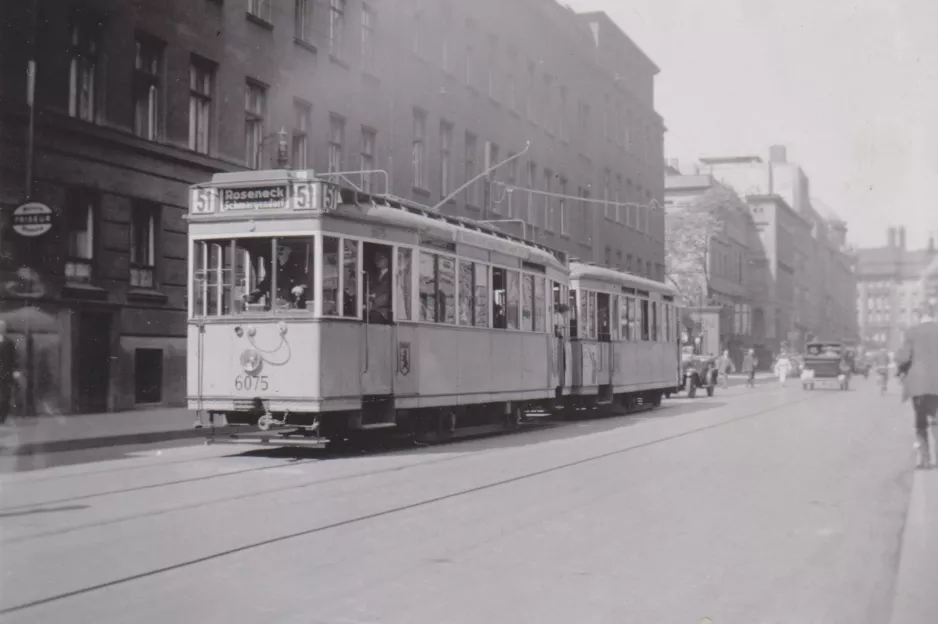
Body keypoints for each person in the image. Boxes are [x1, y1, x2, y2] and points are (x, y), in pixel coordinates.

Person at [897, 308, 938, 469]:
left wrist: (900, 367)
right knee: (937, 421)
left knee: (920, 422)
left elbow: (904, 357)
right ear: (933, 315)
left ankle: (926, 460)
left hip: (918, 383)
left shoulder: (911, 332)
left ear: (919, 316)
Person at [245, 244, 310, 308]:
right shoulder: (273, 269)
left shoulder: (296, 268)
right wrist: (253, 296)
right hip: (274, 309)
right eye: (276, 249)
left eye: (282, 249)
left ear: (289, 251)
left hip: (291, 309)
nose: (279, 251)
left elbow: (304, 283)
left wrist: (300, 289)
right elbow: (264, 285)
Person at [0, 320, 21, 425]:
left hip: (5, 374)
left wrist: (16, 370)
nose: (1, 328)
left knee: (5, 396)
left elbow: (14, 358)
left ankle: (2, 417)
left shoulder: (9, 342)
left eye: (2, 327)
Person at [367, 251, 392, 323]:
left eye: (380, 258)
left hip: (383, 310)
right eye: (376, 259)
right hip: (376, 308)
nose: (377, 261)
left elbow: (384, 289)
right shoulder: (377, 274)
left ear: (387, 259)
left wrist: (372, 297)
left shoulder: (390, 275)